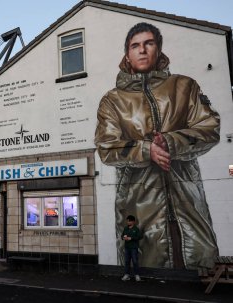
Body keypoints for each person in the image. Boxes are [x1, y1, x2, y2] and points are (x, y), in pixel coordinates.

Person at [94, 22, 220, 270]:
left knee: (200, 268)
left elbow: (209, 128)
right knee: (146, 273)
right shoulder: (112, 100)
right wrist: (146, 150)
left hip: (189, 205)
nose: (142, 50)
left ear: (158, 49)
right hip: (138, 208)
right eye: (135, 46)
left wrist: (171, 142)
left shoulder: (184, 86)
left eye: (148, 43)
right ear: (127, 54)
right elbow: (107, 148)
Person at [121, 215, 141, 281]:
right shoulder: (126, 228)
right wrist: (124, 237)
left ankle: (137, 275)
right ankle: (127, 275)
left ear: (133, 222)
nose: (127, 222)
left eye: (129, 221)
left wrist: (131, 238)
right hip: (127, 248)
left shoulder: (136, 229)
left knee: (135, 261)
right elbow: (122, 236)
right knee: (127, 261)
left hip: (134, 248)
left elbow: (140, 237)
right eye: (127, 221)